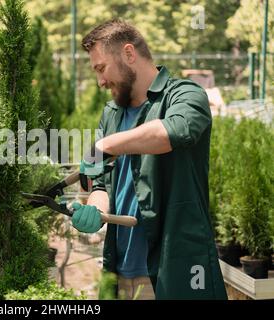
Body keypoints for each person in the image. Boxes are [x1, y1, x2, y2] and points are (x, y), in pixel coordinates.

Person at [70, 19, 227, 300]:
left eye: (101, 68)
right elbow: (102, 186)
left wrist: (105, 144)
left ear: (129, 54)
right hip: (120, 272)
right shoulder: (111, 114)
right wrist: (95, 209)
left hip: (174, 272)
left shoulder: (185, 95)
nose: (100, 81)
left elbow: (170, 132)